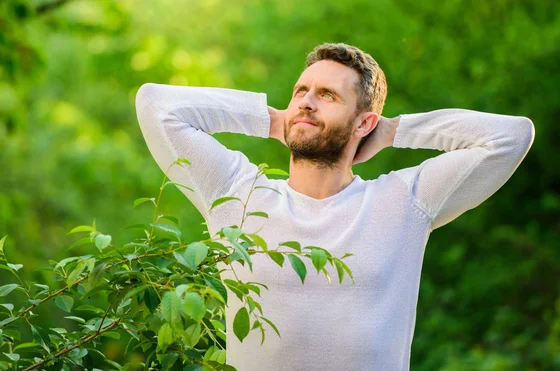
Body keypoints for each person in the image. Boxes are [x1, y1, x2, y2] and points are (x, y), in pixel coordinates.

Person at [134, 42, 535, 371]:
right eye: (300, 92)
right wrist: (275, 121)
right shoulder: (235, 193)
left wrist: (394, 131)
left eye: (327, 95)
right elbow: (156, 104)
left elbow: (511, 136)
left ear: (364, 123)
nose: (307, 102)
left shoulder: (405, 201)